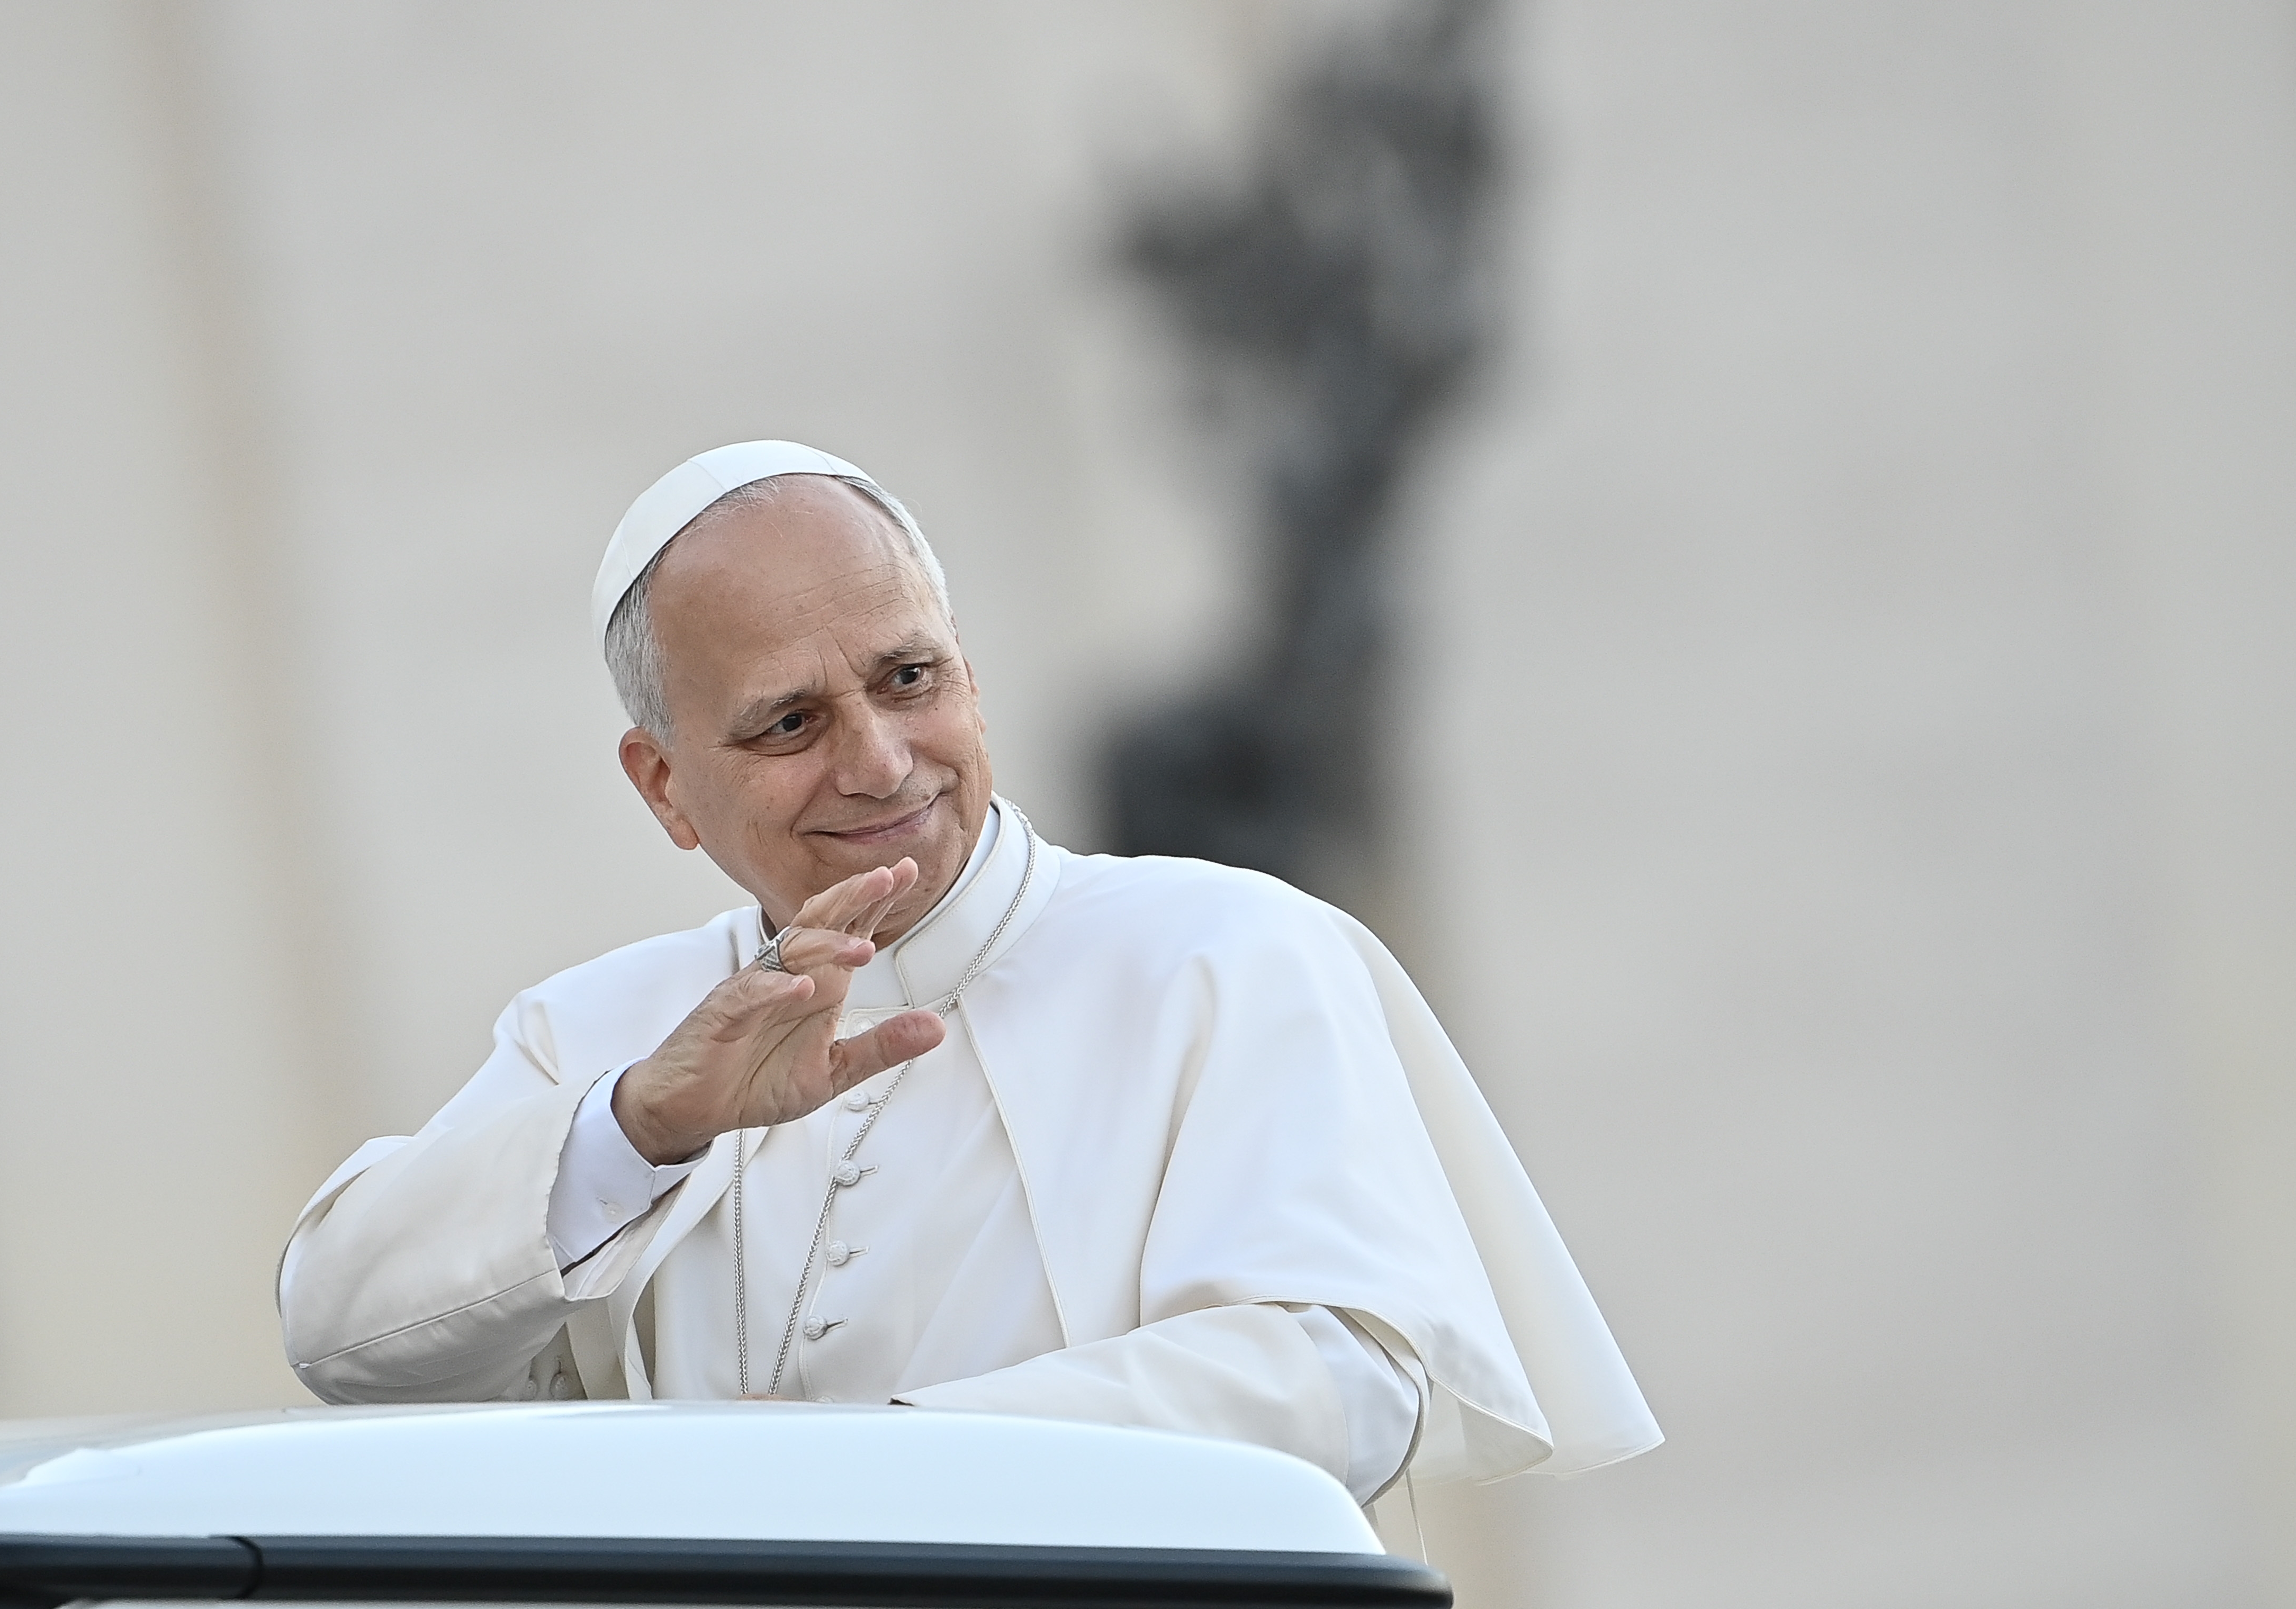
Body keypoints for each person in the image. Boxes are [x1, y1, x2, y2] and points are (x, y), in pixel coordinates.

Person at [277, 440, 1659, 1506]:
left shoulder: (1223, 951)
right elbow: (342, 1336)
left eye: (908, 679)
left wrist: (882, 1468)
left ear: (970, 679)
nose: (879, 763)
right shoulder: (603, 1034)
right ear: (664, 786)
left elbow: (1346, 1382)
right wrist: (642, 1128)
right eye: (789, 723)